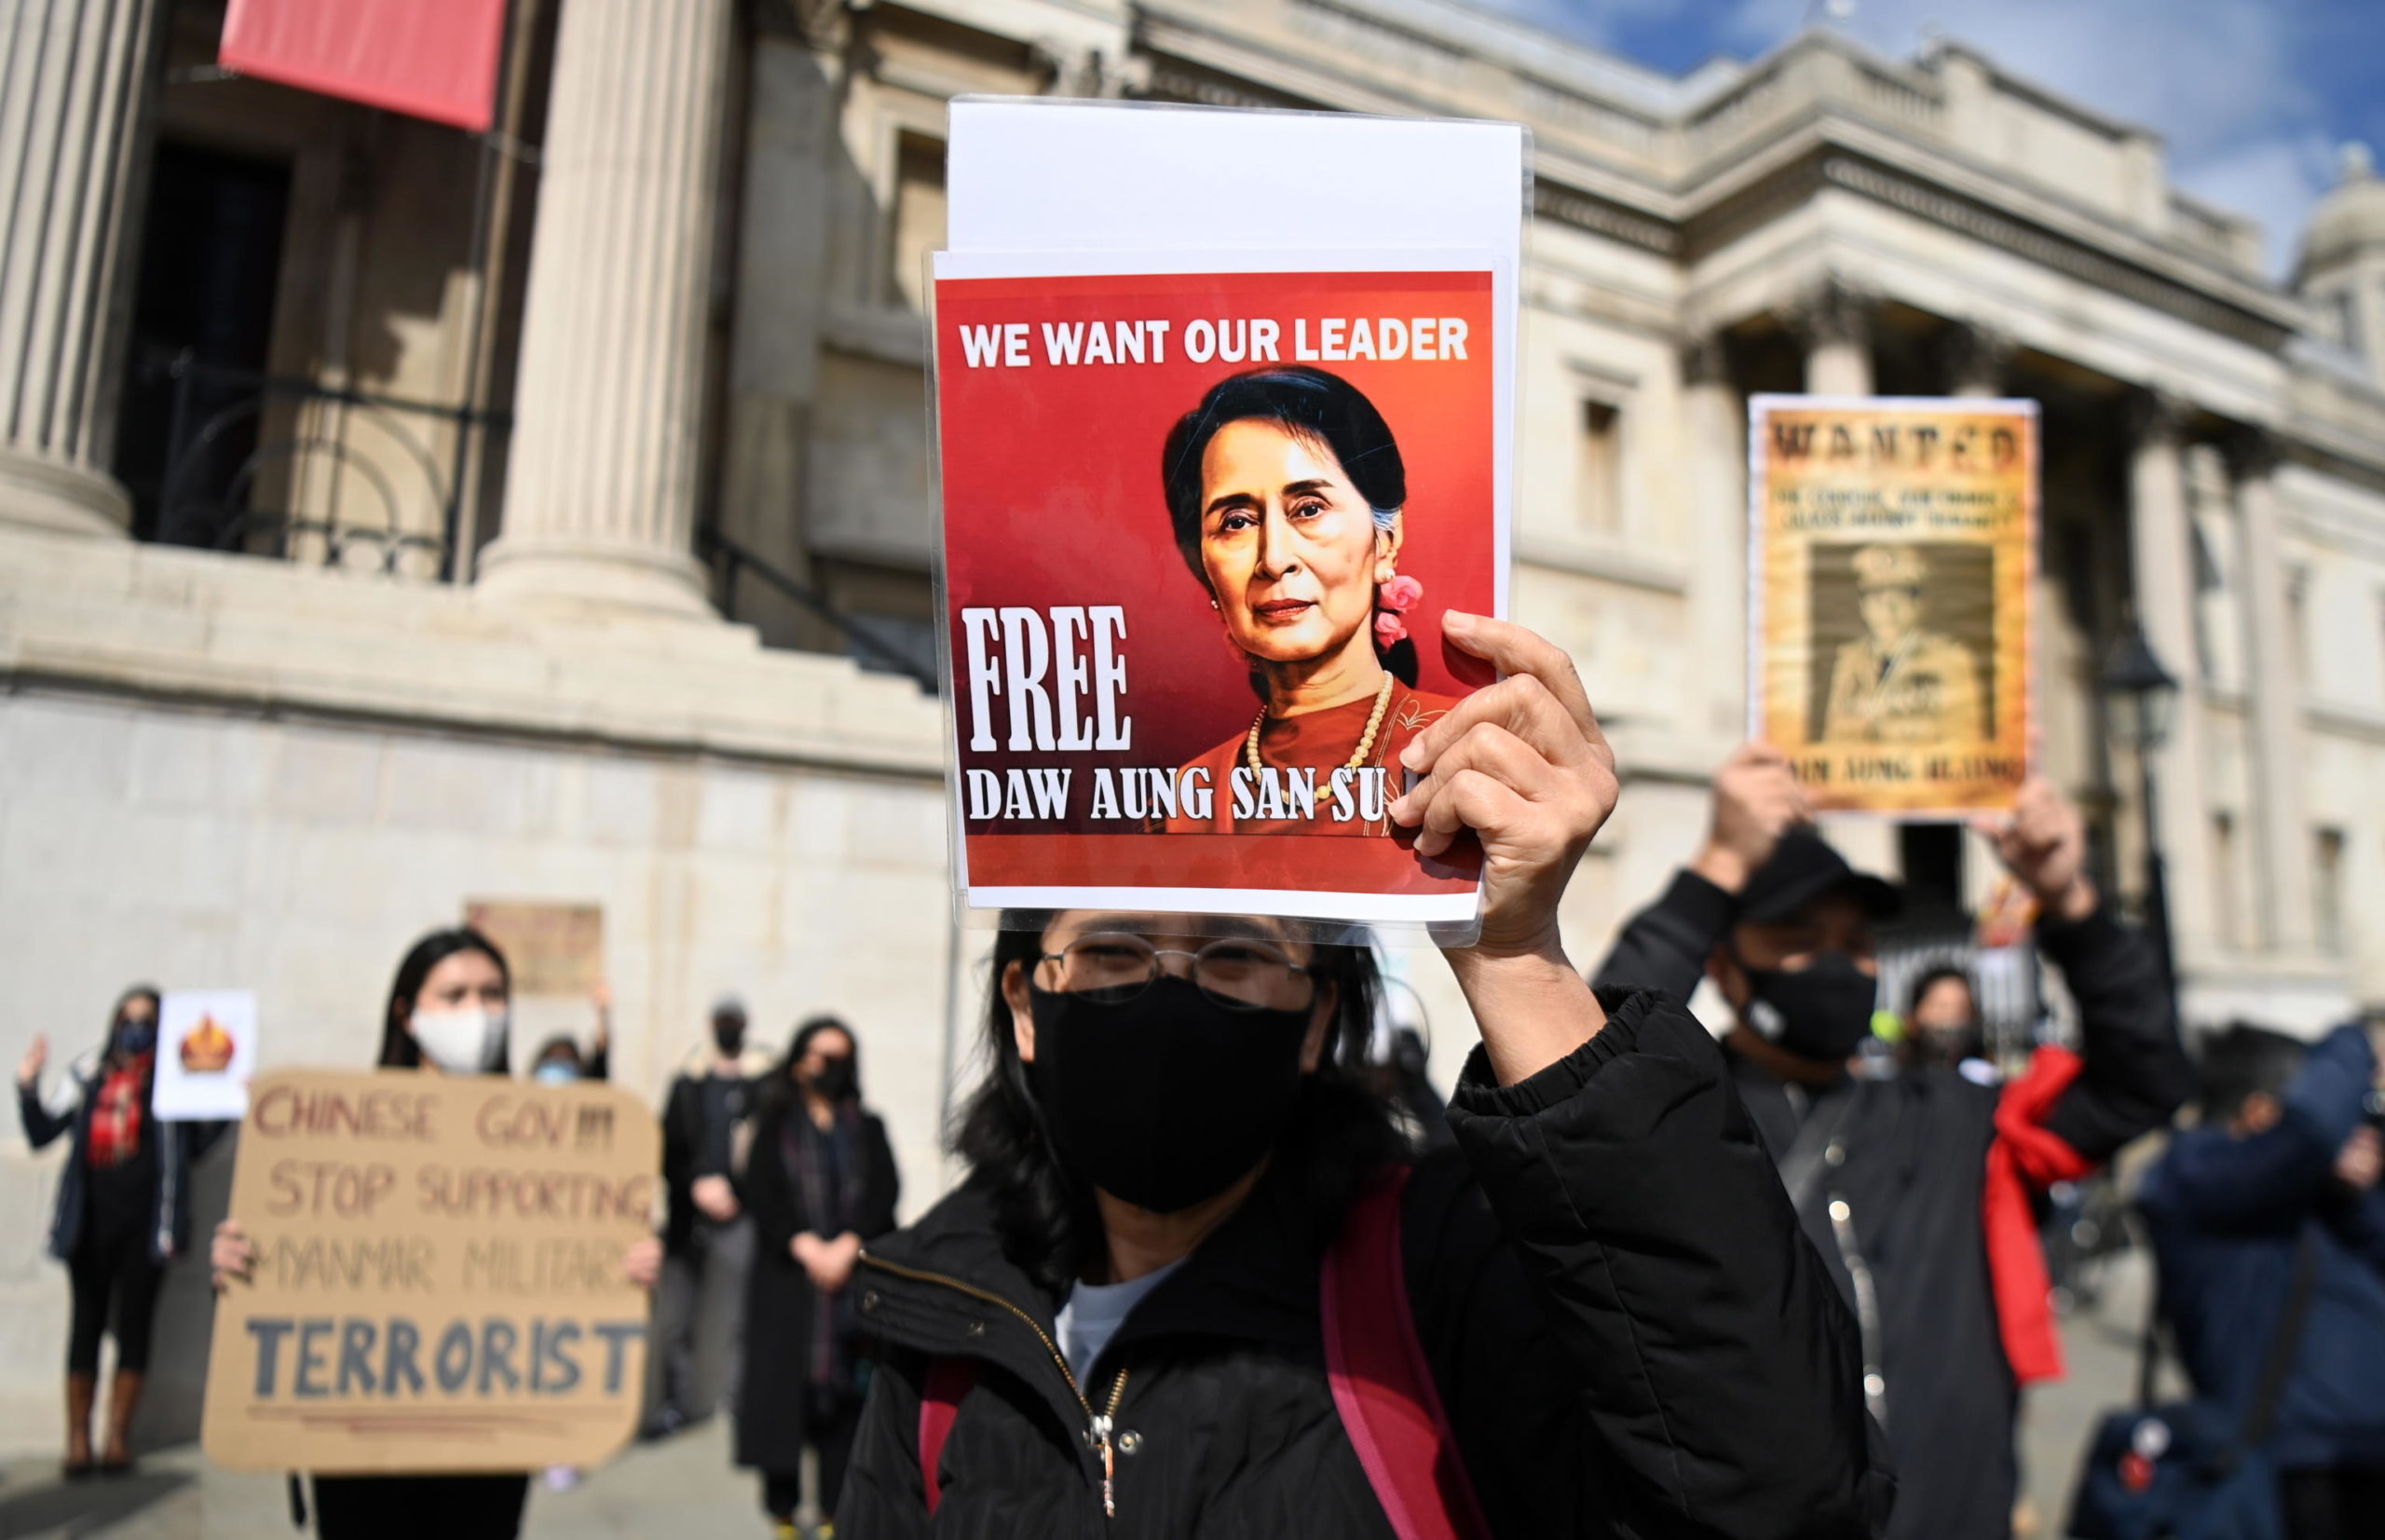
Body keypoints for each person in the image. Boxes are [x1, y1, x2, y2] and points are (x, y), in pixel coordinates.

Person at [838, 614, 1886, 1536]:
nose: (1167, 997)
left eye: (1236, 957)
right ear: (1025, 1004)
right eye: (1112, 954)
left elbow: (1779, 1490)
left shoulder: (1440, 1276)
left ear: (1316, 1021)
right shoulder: (938, 1328)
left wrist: (1513, 954)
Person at [1593, 743, 2191, 1540]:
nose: (1840, 961)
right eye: (1802, 936)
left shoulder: (1955, 1116)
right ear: (1726, 968)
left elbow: (2143, 1079)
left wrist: (2070, 901)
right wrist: (1715, 867)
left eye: (1858, 939)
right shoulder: (1681, 1121)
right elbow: (1579, 1073)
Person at [208, 927, 662, 1538]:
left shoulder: (545, 1149)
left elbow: (565, 1273)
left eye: (494, 993)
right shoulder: (336, 1134)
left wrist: (621, 1271)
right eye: (455, 995)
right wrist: (245, 1264)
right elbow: (300, 1265)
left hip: (490, 1437)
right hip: (358, 1442)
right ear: (408, 1012)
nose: (478, 1011)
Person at [1159, 366, 1460, 835]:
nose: (1274, 560)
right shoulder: (1186, 801)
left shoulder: (1460, 751)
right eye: (1236, 522)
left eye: (1309, 509)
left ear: (1387, 538)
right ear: (1206, 570)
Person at [2138, 1022, 2385, 1540]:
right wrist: (2357, 1043)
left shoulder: (2316, 1196)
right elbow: (2311, 1134)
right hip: (2286, 1474)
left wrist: (2353, 1197)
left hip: (2361, 1457)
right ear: (2259, 1114)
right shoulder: (2195, 1175)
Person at [17, 986, 226, 1477]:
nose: (137, 1029)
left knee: (135, 1329)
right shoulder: (89, 1073)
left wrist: (229, 1097)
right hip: (88, 1225)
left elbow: (197, 1146)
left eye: (148, 1020)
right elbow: (43, 1131)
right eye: (129, 1019)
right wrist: (27, 1086)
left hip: (147, 1227)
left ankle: (117, 1439)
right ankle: (76, 1441)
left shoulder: (176, 1081)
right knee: (85, 1328)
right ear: (115, 1023)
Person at [736, 1015, 900, 1539]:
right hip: (788, 1286)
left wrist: (849, 1244)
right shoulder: (775, 1123)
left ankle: (834, 1517)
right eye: (816, 1053)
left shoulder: (866, 1126)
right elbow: (761, 1191)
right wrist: (805, 1245)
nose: (824, 1066)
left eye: (837, 1056)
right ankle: (783, 1519)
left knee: (843, 1413)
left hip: (848, 1292)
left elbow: (883, 1192)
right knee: (781, 1406)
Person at [649, 991, 771, 1435]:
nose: (729, 1027)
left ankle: (738, 1401)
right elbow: (667, 1150)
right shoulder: (688, 1082)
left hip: (741, 1215)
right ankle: (677, 1403)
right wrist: (695, 1187)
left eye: (734, 1020)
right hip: (688, 1219)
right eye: (723, 1019)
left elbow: (768, 1152)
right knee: (675, 1316)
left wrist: (736, 1191)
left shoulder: (764, 1082)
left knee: (741, 1316)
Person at [1821, 544, 1987, 743]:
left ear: (1919, 604)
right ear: (1863, 606)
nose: (1888, 609)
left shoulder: (1950, 660)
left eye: (1899, 596)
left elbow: (1966, 742)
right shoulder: (1849, 660)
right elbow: (1833, 739)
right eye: (1876, 597)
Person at [1902, 963, 1996, 1083]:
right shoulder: (1892, 1087)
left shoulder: (1987, 1081)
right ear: (1913, 1017)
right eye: (1942, 1007)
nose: (1952, 1018)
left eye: (1962, 1009)